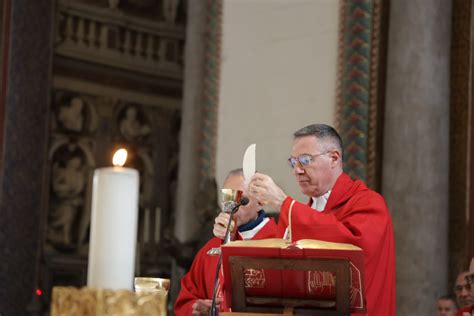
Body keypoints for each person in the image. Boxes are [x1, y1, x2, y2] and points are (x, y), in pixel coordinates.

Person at [248, 124, 396, 316]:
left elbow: (349, 246)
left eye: (305, 160)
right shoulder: (305, 211)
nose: (297, 170)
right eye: (293, 162)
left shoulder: (368, 203)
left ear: (334, 158)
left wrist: (284, 203)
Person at [174, 169, 277, 316]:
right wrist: (196, 308)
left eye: (241, 200)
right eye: (227, 198)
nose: (232, 208)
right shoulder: (211, 248)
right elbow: (185, 300)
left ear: (260, 202)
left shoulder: (279, 243)